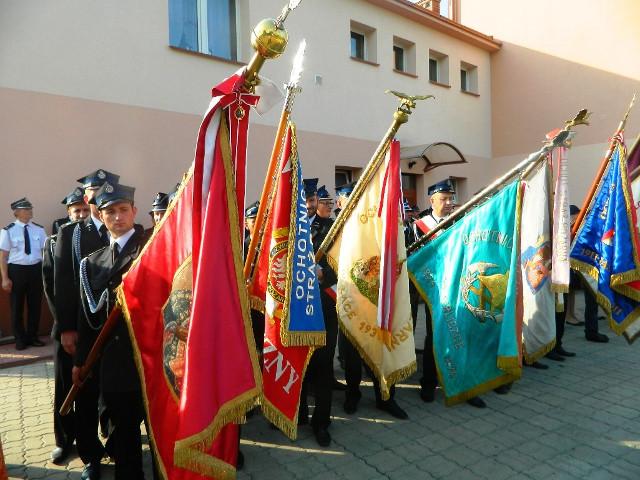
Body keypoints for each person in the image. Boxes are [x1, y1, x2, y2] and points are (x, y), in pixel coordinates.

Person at [73, 182, 146, 479]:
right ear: (101, 216)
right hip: (115, 363)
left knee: (161, 434)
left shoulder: (151, 249)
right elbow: (86, 318)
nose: (118, 217)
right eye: (111, 211)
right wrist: (80, 360)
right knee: (124, 433)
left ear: (134, 211)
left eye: (123, 210)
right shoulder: (93, 262)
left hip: (151, 358)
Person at [54, 168, 120, 480]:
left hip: (119, 330)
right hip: (84, 330)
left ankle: (119, 446)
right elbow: (63, 285)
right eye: (94, 190)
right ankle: (90, 455)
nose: (100, 194)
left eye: (107, 188)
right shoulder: (71, 234)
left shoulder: (124, 231)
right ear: (85, 196)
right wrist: (66, 328)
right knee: (86, 394)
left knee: (118, 392)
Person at [415, 180, 487, 409]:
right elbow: (415, 259)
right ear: (432, 200)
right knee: (434, 336)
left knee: (462, 335)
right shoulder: (419, 226)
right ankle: (429, 382)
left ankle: (464, 384)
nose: (448, 203)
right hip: (434, 290)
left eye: (450, 198)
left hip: (460, 289)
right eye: (443, 199)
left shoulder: (460, 222)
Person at [42, 187, 90, 465]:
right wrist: (64, 326)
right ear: (68, 214)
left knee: (92, 389)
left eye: (85, 210)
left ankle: (93, 440)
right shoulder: (54, 243)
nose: (81, 215)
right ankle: (64, 440)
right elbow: (51, 288)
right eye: (76, 211)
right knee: (64, 387)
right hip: (65, 329)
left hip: (93, 326)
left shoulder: (98, 237)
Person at [299, 178, 338, 447]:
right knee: (297, 363)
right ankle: (297, 413)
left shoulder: (330, 229)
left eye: (312, 200)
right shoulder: (285, 230)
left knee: (323, 367)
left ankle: (321, 421)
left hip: (324, 306)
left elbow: (346, 263)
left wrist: (324, 274)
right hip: (295, 308)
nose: (308, 205)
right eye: (303, 200)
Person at [0, 198, 47, 350]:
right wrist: (5, 278)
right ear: (17, 213)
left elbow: (45, 252)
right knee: (17, 306)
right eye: (26, 209)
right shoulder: (8, 230)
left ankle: (33, 336)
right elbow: (3, 257)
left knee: (35, 305)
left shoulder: (39, 229)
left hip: (35, 270)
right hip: (17, 271)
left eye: (30, 208)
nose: (30, 211)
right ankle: (19, 339)